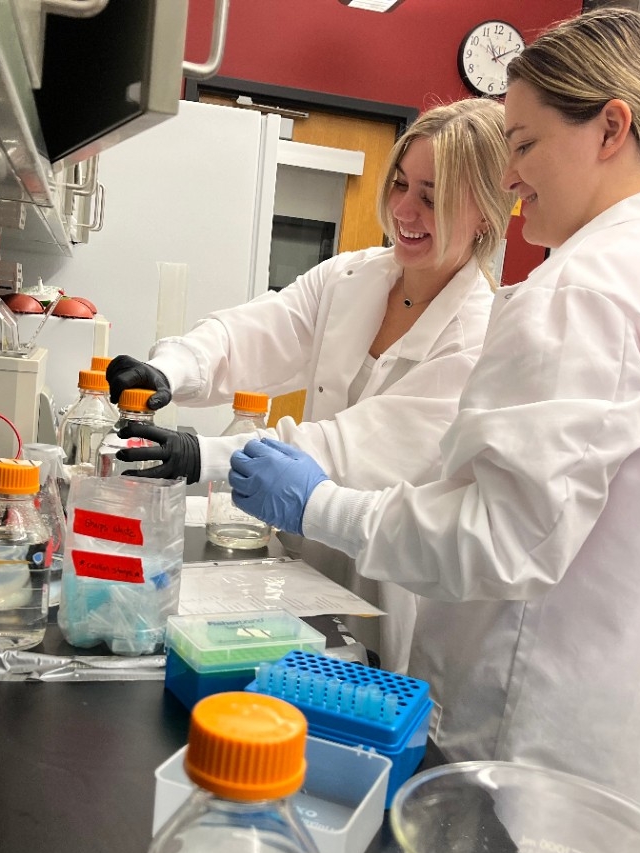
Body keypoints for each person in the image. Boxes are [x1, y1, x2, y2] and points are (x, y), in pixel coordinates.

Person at [226, 8, 640, 832]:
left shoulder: (585, 292)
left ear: (610, 129)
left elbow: (496, 540)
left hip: (527, 754)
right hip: (634, 752)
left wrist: (317, 504)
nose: (512, 175)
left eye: (522, 144)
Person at [107, 99, 516, 670]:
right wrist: (171, 368)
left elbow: (350, 448)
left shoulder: (479, 336)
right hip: (299, 569)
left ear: (487, 215)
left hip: (385, 588)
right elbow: (252, 333)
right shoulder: (351, 278)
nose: (403, 208)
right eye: (399, 184)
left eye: (432, 196)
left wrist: (206, 456)